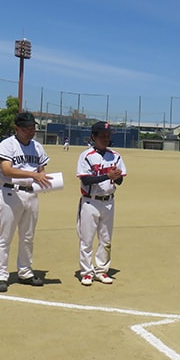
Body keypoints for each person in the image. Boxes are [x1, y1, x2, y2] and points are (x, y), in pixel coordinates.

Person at [0, 112, 52, 293]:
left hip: (31, 194)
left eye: (32, 128)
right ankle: (0, 275)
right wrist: (34, 175)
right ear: (16, 129)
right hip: (11, 193)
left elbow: (42, 170)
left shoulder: (37, 147)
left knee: (28, 236)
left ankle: (25, 271)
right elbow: (7, 169)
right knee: (5, 236)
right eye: (26, 128)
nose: (30, 131)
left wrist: (45, 180)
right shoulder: (7, 145)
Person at [76, 121, 127, 286]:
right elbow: (86, 179)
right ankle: (86, 272)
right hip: (90, 202)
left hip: (108, 202)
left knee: (106, 239)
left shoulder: (115, 156)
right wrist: (108, 176)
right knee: (87, 239)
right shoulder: (86, 156)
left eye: (108, 136)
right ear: (93, 137)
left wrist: (116, 176)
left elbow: (119, 182)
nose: (105, 139)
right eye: (102, 136)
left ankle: (101, 270)